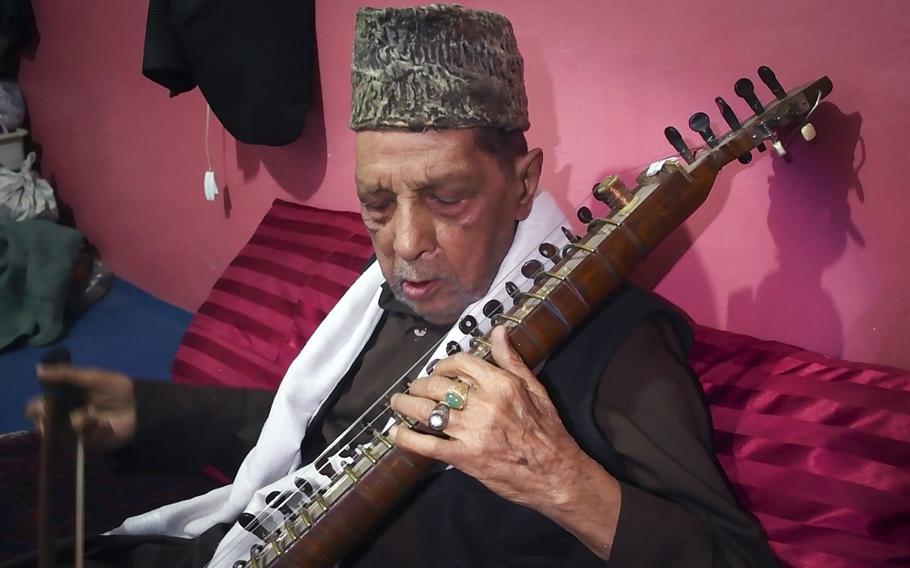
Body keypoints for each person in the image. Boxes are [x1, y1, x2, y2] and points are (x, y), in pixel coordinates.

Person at [22, 5, 778, 567]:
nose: (406, 245)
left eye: (448, 198)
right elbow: (325, 429)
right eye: (377, 205)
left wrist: (559, 478)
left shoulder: (614, 343)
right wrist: (145, 411)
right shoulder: (395, 296)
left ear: (523, 185)